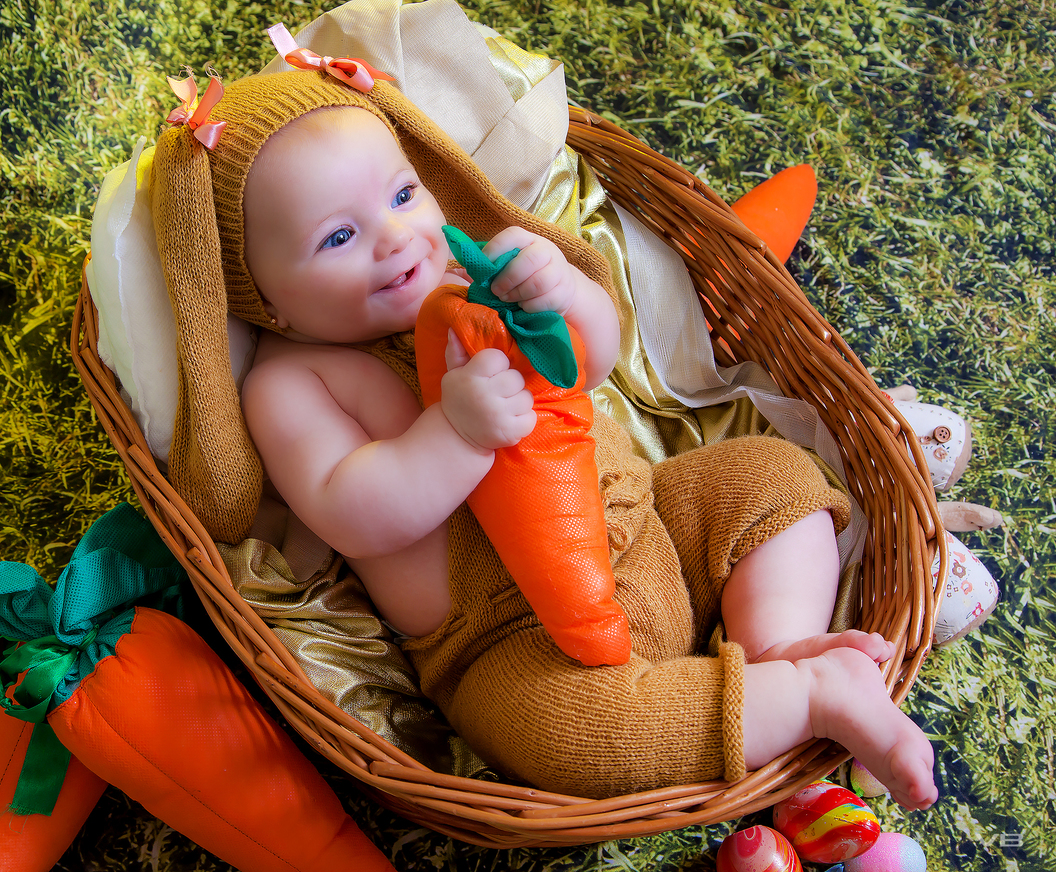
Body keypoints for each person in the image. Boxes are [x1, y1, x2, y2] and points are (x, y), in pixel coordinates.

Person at [149, 68, 937, 810]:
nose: (397, 239)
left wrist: (563, 294)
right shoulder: (291, 384)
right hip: (504, 642)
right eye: (338, 237)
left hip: (650, 524)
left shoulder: (472, 282)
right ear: (263, 298)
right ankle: (809, 700)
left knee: (774, 476)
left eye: (401, 194)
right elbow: (352, 509)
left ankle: (780, 646)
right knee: (564, 741)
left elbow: (591, 363)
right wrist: (454, 434)